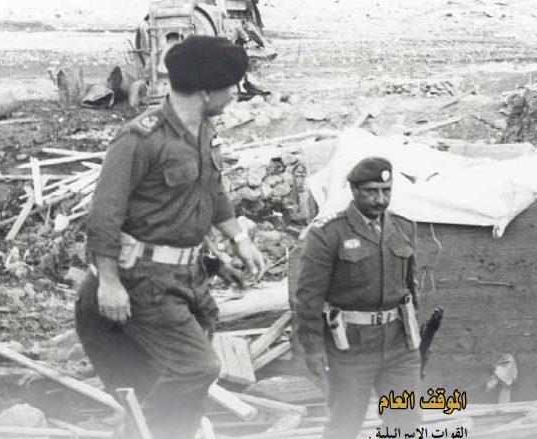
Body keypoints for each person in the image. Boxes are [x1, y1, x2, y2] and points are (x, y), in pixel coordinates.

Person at [75, 35, 267, 439]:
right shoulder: (140, 140)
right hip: (143, 281)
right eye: (231, 86)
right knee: (197, 369)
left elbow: (212, 192)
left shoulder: (204, 130)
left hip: (189, 279)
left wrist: (238, 241)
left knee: (177, 386)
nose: (235, 93)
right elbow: (103, 216)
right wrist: (108, 282)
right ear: (205, 92)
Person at [294, 157, 422, 439]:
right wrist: (313, 348)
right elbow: (308, 297)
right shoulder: (328, 233)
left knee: (405, 422)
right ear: (353, 190)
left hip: (399, 345)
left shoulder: (404, 227)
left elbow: (410, 286)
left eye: (386, 191)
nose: (380, 199)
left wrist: (413, 336)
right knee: (345, 425)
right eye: (371, 191)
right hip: (351, 349)